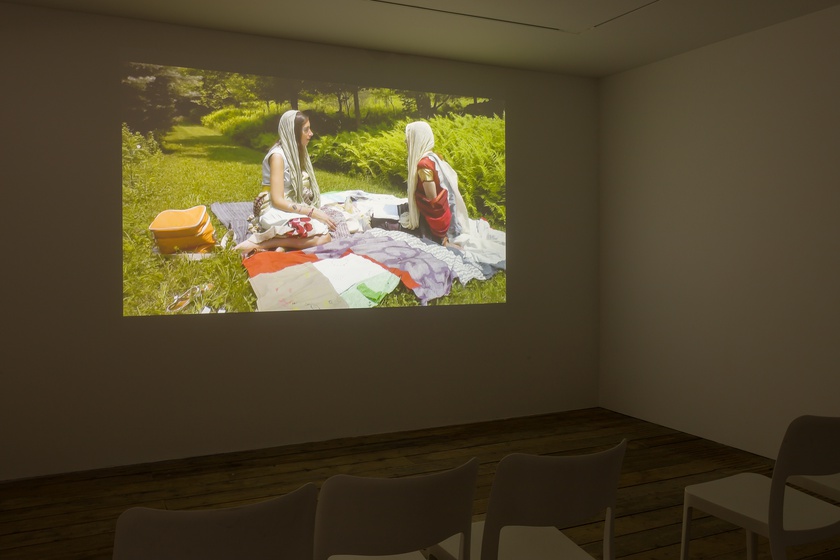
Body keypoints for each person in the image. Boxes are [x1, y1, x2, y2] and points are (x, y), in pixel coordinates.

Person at [235, 110, 336, 255]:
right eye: (306, 130)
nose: (311, 133)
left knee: (325, 226)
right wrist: (311, 212)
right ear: (293, 132)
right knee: (324, 237)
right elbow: (277, 201)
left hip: (289, 205)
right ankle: (264, 242)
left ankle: (284, 244)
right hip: (273, 209)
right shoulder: (278, 156)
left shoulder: (295, 151)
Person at [403, 121, 469, 248]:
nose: (406, 142)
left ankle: (445, 242)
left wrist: (440, 235)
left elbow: (433, 202)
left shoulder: (424, 165)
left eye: (409, 138)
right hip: (447, 212)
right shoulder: (433, 157)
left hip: (437, 222)